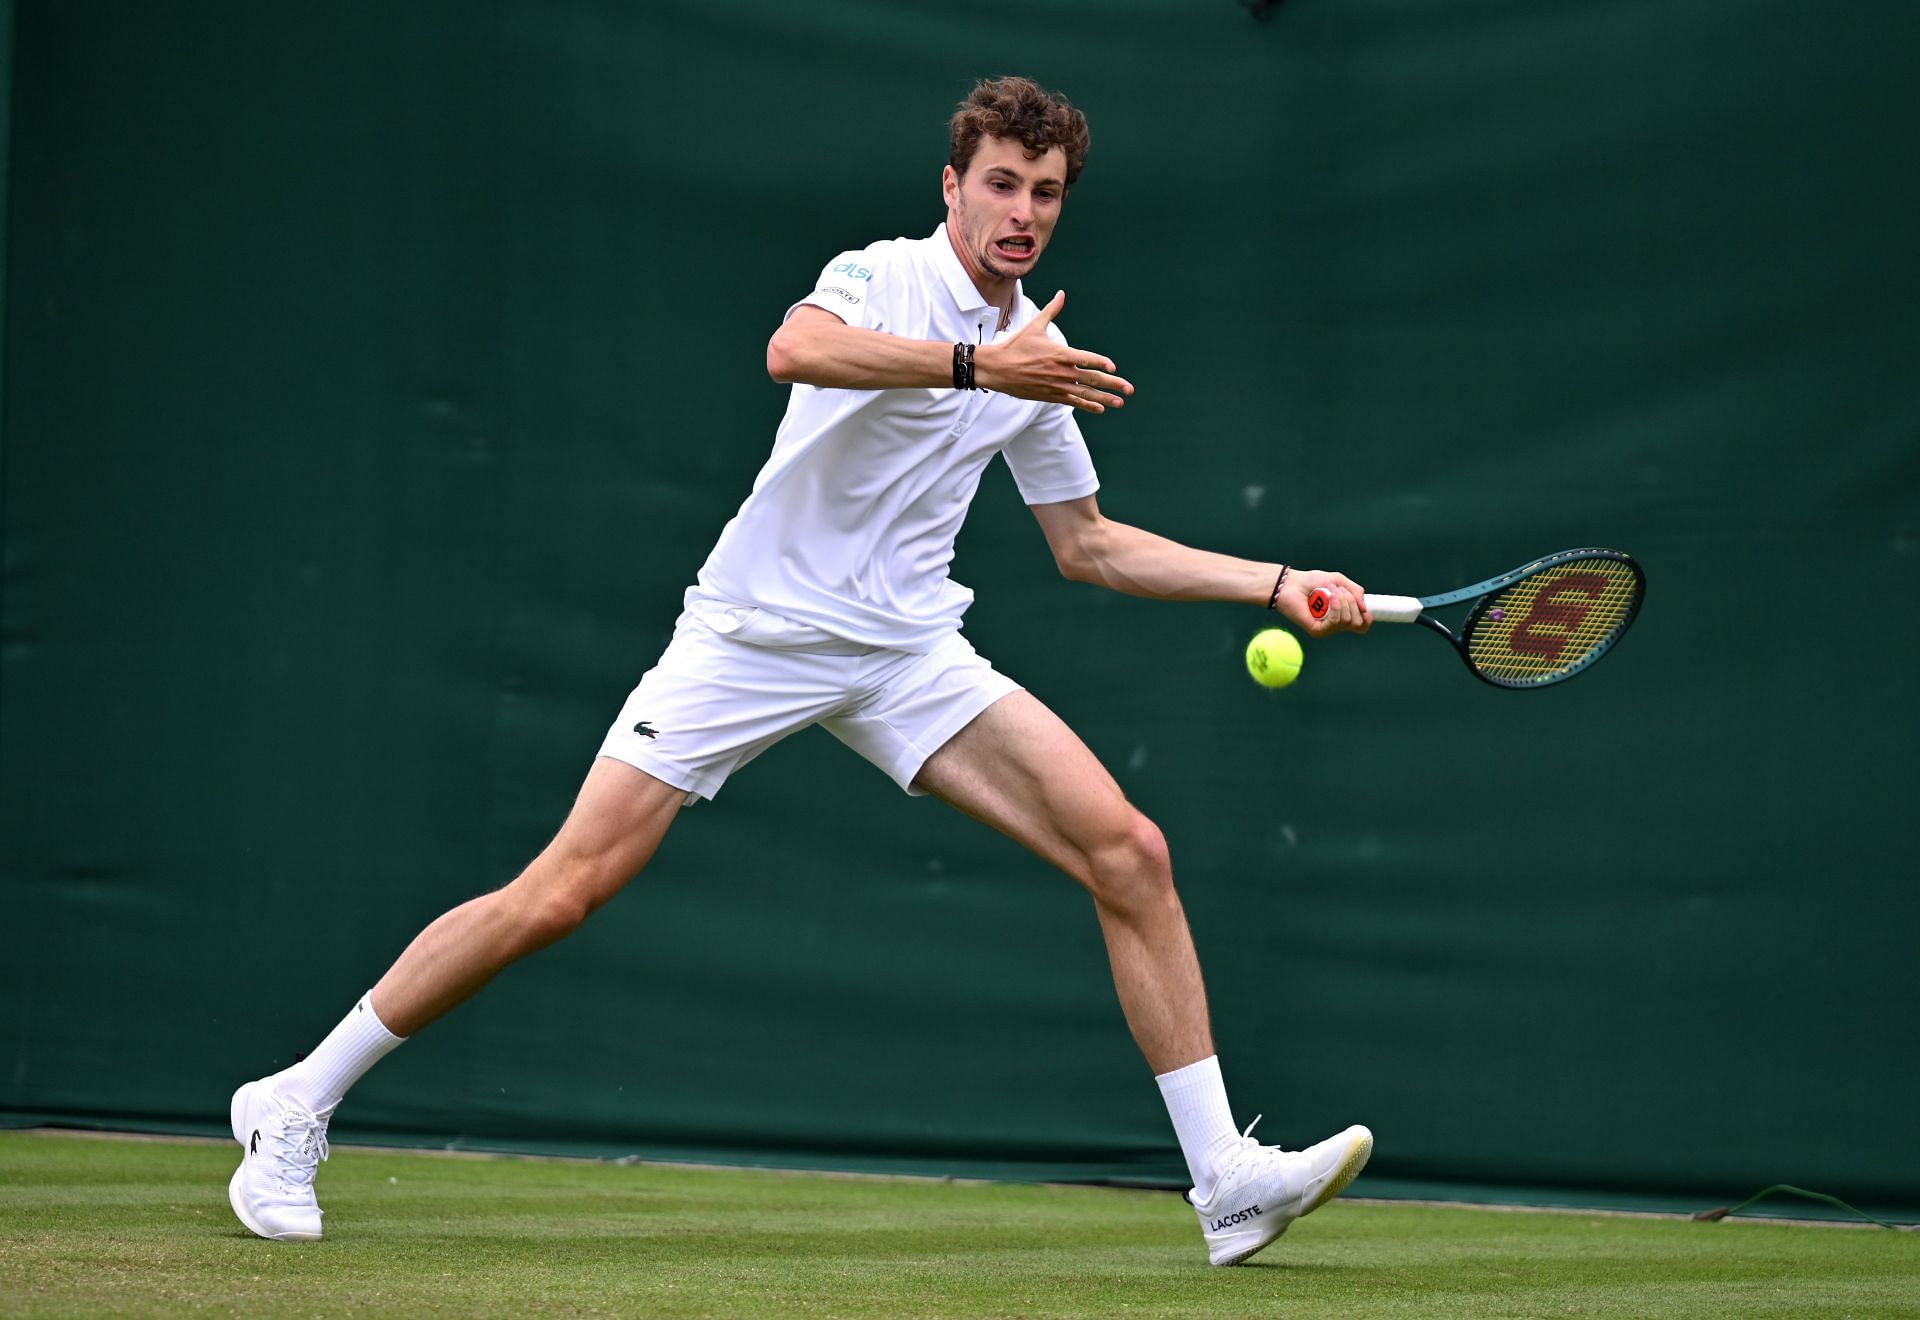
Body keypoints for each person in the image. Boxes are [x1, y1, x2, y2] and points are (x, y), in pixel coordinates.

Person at [227, 75, 1375, 1267]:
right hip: (753, 635)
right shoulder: (884, 274)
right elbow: (796, 348)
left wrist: (1274, 579)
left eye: (1044, 192)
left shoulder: (1041, 354)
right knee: (561, 891)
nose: (1021, 210)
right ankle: (295, 1102)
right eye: (999, 183)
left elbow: (1090, 546)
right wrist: (980, 370)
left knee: (1130, 851)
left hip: (907, 652)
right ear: (953, 185)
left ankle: (1225, 1182)